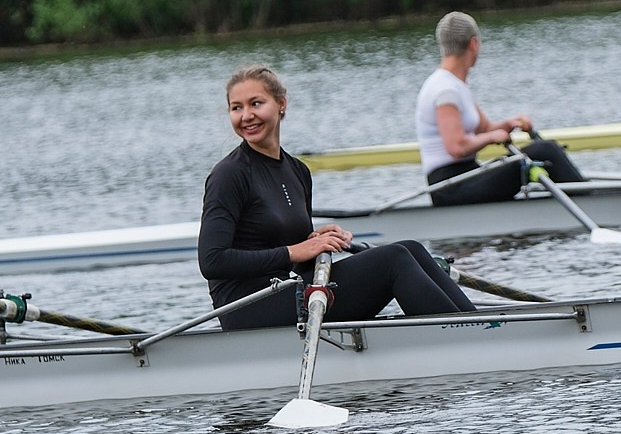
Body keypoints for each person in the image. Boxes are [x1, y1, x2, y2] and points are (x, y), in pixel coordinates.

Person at [199, 64, 480, 331]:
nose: (246, 115)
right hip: (247, 309)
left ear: (281, 104)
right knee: (393, 259)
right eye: (237, 108)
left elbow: (286, 256)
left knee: (412, 249)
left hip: (288, 292)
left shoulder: (297, 171)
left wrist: (315, 242)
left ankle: (478, 326)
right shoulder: (229, 175)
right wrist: (295, 251)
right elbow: (212, 261)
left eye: (256, 103)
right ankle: (466, 337)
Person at [417, 12, 586, 206]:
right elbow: (456, 147)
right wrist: (491, 138)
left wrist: (510, 124)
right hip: (450, 188)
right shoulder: (445, 90)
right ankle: (591, 202)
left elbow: (485, 129)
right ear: (474, 44)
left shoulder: (456, 84)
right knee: (544, 151)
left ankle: (584, 196)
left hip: (467, 175)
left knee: (545, 151)